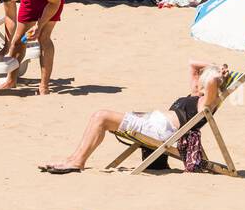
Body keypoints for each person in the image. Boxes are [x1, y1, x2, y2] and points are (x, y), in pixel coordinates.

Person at [39, 60, 227, 173]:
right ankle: (73, 159)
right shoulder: (196, 95)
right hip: (152, 123)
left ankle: (78, 161)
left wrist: (218, 75)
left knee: (101, 116)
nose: (197, 81)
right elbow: (192, 64)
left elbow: (210, 81)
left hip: (160, 131)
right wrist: (214, 65)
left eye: (201, 80)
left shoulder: (207, 102)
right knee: (99, 117)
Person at [0, 0, 66, 95]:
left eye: (15, 0)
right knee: (18, 40)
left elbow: (54, 3)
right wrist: (6, 45)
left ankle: (44, 86)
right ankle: (11, 80)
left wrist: (39, 26)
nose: (13, 3)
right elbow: (10, 17)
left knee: (43, 37)